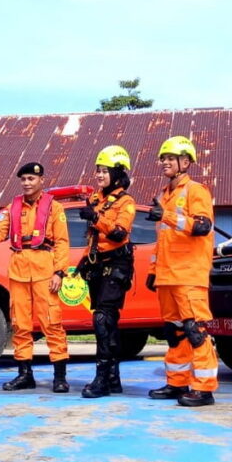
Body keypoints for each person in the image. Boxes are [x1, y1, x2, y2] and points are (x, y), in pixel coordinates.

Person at [0, 161, 71, 393]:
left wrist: (59, 272)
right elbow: (2, 230)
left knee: (52, 323)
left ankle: (59, 377)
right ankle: (24, 375)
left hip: (44, 270)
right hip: (19, 270)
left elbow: (62, 243)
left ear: (42, 181)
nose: (27, 183)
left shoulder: (54, 208)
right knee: (20, 324)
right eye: (24, 179)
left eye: (31, 178)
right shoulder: (14, 206)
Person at [145, 135, 218, 407]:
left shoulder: (196, 191)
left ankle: (204, 389)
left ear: (185, 162)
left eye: (170, 158)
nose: (164, 162)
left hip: (189, 274)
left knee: (195, 331)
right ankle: (177, 383)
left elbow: (202, 227)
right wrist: (153, 271)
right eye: (162, 158)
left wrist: (166, 215)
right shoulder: (165, 195)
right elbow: (163, 240)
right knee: (175, 333)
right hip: (168, 276)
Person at [77, 145, 136, 399]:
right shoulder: (95, 199)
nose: (99, 175)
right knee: (107, 322)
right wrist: (83, 260)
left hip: (117, 265)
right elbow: (93, 237)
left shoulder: (126, 202)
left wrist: (96, 218)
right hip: (97, 265)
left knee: (102, 319)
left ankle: (101, 379)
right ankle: (113, 378)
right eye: (97, 170)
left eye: (104, 171)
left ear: (118, 173)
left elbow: (119, 233)